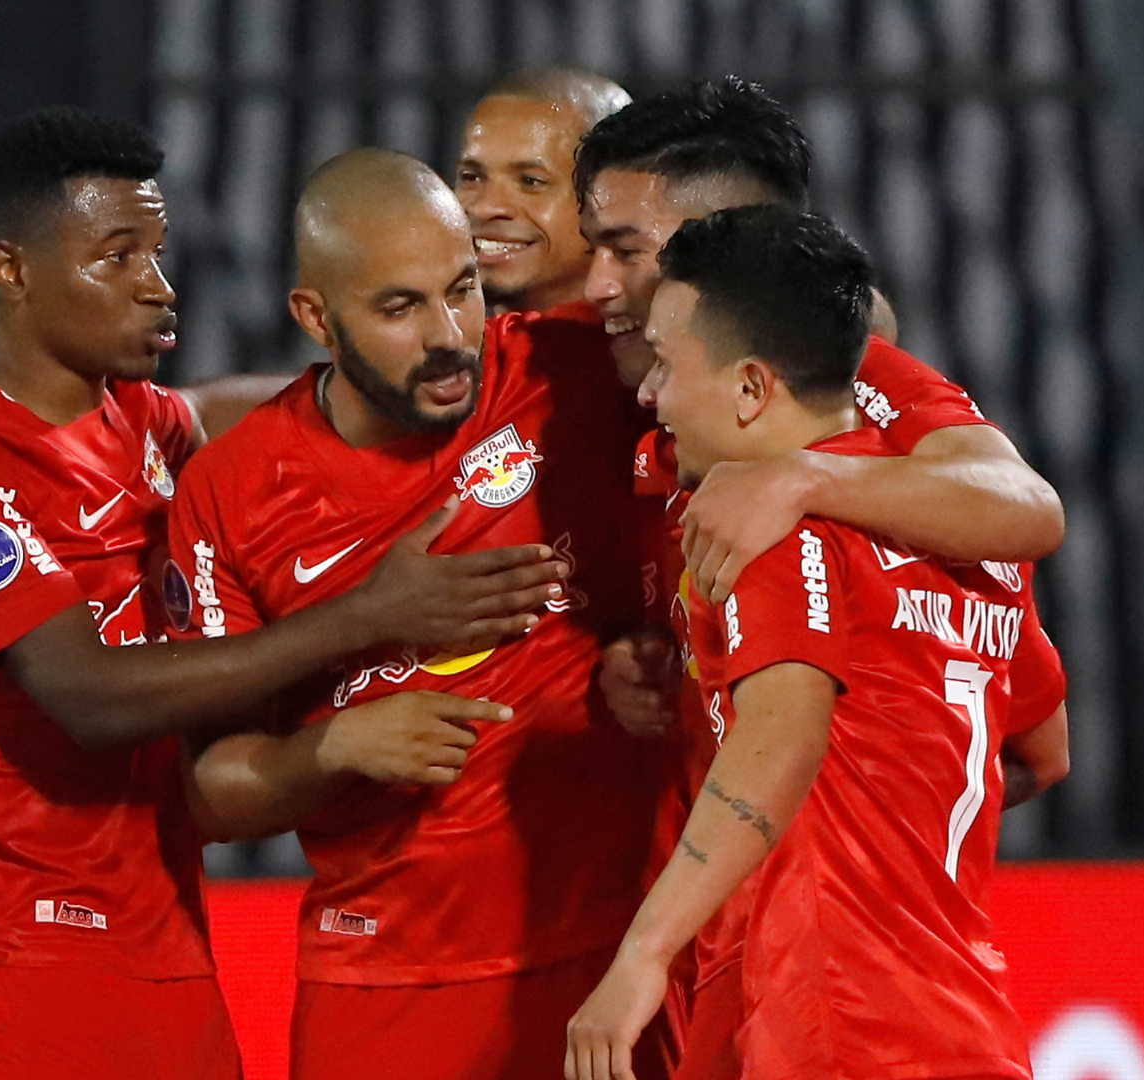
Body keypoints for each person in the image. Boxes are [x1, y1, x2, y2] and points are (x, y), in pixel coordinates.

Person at [0, 108, 563, 1080]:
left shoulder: (139, 426)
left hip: (165, 942)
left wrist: (420, 372)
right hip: (20, 949)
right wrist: (366, 618)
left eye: (158, 251)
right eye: (118, 259)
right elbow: (86, 696)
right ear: (11, 270)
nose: (160, 288)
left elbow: (264, 410)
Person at [167, 148, 663, 1080]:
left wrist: (653, 644)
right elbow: (213, 792)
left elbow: (827, 346)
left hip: (614, 957)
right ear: (316, 318)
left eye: (463, 289)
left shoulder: (563, 374)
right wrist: (340, 745)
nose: (450, 335)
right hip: (386, 987)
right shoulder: (232, 494)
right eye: (399, 308)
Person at [567, 205, 1071, 1080]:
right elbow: (1043, 749)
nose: (650, 396)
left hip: (836, 1011)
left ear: (754, 387)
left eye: (667, 365)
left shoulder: (768, 521)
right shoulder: (970, 538)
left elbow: (782, 737)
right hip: (958, 1011)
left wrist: (645, 950)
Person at [573, 78, 1065, 605]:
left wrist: (800, 478)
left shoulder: (836, 363)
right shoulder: (582, 352)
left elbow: (1029, 506)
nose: (596, 287)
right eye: (592, 250)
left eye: (625, 251)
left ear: (728, 238)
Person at [454, 66, 631, 319]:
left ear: (614, 198)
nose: (485, 207)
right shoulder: (432, 352)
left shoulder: (667, 355)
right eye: (471, 177)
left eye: (531, 182)